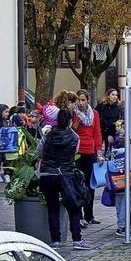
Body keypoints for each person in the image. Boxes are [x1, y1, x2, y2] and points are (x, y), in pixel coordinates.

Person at [37, 91, 90, 250]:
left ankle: (56, 241)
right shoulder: (75, 137)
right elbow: (75, 153)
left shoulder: (48, 135)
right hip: (66, 174)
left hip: (47, 174)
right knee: (73, 206)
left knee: (52, 207)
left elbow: (40, 152)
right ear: (68, 121)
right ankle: (77, 239)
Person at [73, 89, 104, 228]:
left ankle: (89, 215)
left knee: (90, 185)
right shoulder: (73, 114)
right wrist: (78, 121)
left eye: (83, 100)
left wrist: (99, 152)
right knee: (78, 184)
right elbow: (71, 132)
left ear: (88, 101)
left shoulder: (94, 114)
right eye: (78, 100)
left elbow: (97, 133)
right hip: (78, 152)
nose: (81, 103)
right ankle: (78, 216)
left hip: (90, 151)